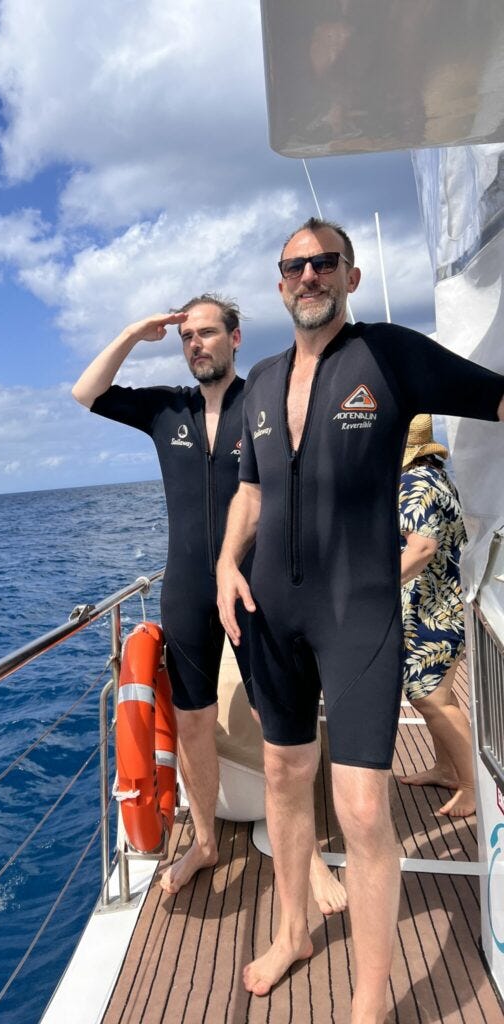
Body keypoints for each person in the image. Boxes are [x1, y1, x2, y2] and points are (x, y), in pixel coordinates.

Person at [216, 217, 504, 1024]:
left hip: (360, 611)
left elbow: (495, 398)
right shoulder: (262, 383)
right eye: (293, 266)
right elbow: (250, 492)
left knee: (366, 809)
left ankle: (370, 996)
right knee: (282, 776)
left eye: (323, 263)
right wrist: (222, 565)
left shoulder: (390, 356)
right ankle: (294, 930)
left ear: (349, 275)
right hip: (272, 613)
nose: (307, 276)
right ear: (280, 285)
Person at [72, 295, 346, 913]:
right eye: (186, 336)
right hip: (187, 589)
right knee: (194, 720)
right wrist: (132, 331)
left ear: (236, 337)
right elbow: (86, 393)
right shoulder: (165, 407)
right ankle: (204, 843)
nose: (196, 344)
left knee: (284, 724)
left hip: (256, 586)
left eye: (207, 333)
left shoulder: (265, 400)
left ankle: (301, 852)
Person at [398, 414, 475, 818]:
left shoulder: (412, 482)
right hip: (445, 603)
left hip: (437, 609)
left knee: (429, 696)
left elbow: (423, 548)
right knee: (435, 695)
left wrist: (375, 588)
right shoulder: (435, 476)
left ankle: (471, 785)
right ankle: (448, 769)